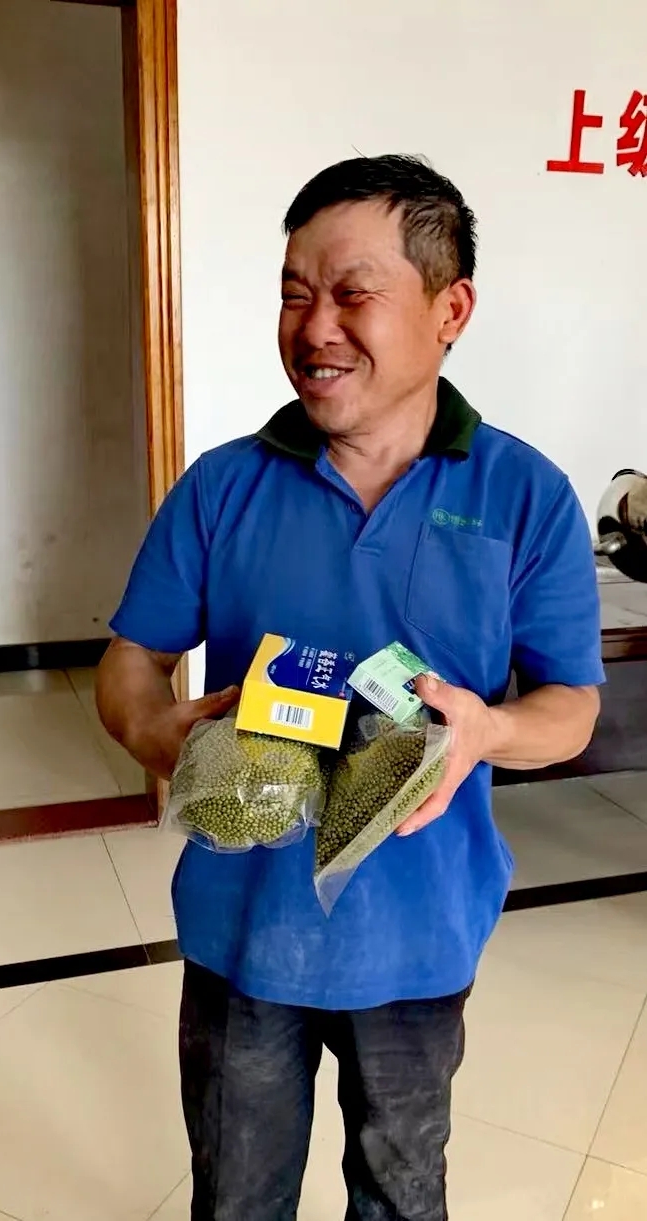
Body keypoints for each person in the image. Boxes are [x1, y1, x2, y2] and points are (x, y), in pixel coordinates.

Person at [97, 154, 603, 1221]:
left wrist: (485, 731)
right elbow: (131, 661)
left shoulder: (526, 495)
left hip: (420, 933)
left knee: (401, 1193)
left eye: (352, 293)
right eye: (294, 293)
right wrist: (161, 734)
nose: (315, 327)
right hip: (241, 926)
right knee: (236, 1196)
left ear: (450, 309)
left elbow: (572, 709)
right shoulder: (224, 485)